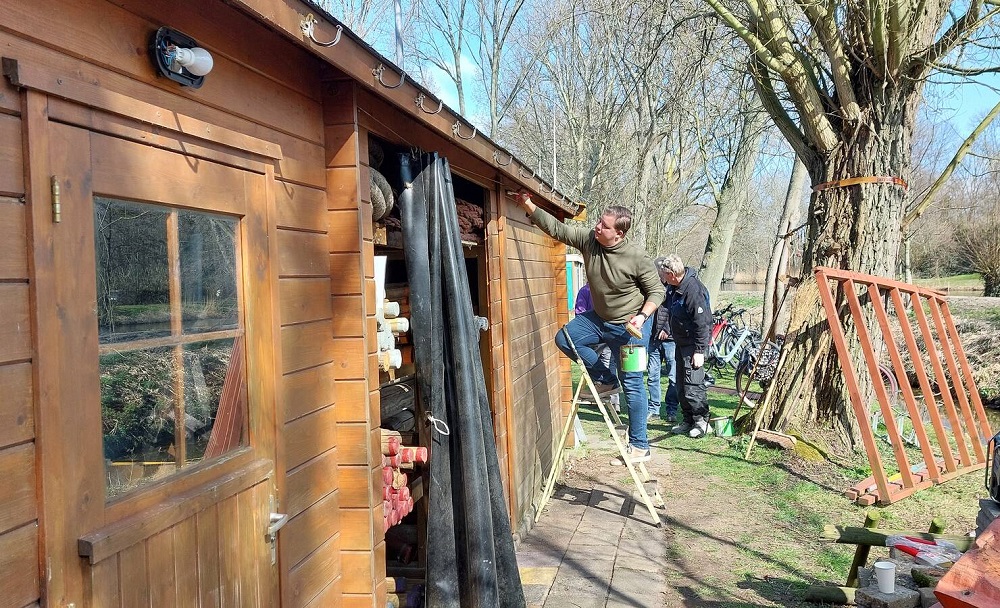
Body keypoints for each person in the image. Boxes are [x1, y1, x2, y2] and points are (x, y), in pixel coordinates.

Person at [513, 192, 665, 463]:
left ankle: (640, 446)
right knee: (566, 338)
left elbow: (656, 292)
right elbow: (558, 229)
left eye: (604, 226)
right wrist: (528, 205)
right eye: (598, 222)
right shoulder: (589, 241)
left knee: (632, 385)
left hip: (632, 330)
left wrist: (642, 316)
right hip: (599, 319)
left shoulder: (636, 257)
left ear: (618, 234)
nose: (597, 227)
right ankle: (605, 378)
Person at [660, 254, 713, 438]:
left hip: (693, 345)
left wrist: (699, 350)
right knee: (681, 386)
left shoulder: (693, 290)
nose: (663, 277)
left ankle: (702, 421)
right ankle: (688, 419)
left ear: (672, 274)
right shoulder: (674, 288)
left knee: (693, 385)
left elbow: (702, 323)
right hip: (680, 344)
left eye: (664, 274)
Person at [574, 283, 620, 411]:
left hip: (596, 335)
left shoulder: (586, 290)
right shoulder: (594, 290)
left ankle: (611, 401)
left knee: (597, 365)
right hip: (601, 334)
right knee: (604, 365)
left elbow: (580, 313)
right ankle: (606, 400)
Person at [648, 257, 679, 423]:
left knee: (673, 376)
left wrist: (667, 329)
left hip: (670, 339)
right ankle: (654, 409)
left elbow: (674, 311)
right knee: (653, 375)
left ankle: (672, 409)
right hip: (653, 338)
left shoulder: (674, 288)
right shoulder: (650, 287)